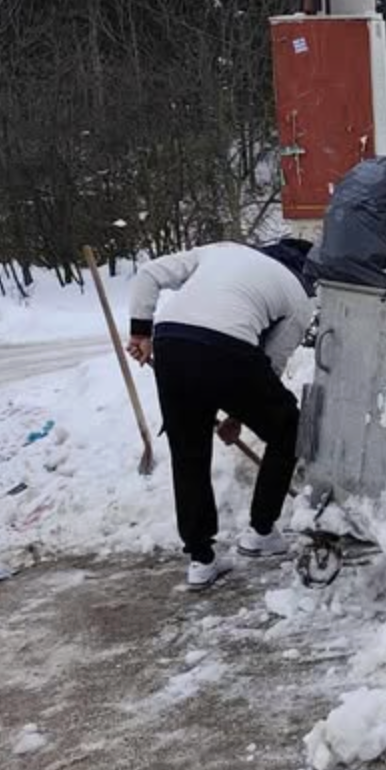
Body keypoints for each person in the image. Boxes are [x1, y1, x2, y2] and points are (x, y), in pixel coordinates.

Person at [126, 240, 315, 590]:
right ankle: (261, 531)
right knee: (288, 428)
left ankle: (201, 560)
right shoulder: (298, 297)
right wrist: (241, 411)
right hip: (228, 350)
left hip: (171, 341)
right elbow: (269, 364)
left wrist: (140, 332)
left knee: (189, 453)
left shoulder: (221, 250)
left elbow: (148, 274)